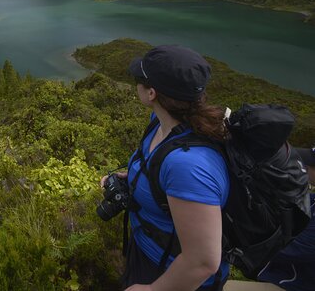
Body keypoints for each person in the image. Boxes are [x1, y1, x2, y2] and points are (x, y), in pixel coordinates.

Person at [103, 45, 230, 291]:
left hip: (173, 275)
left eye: (139, 79)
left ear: (151, 93)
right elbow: (157, 170)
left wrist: (153, 289)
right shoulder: (161, 123)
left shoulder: (188, 166)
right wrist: (133, 178)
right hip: (148, 252)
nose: (135, 83)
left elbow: (203, 261)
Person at [256, 146, 315, 291]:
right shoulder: (312, 199)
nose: (304, 167)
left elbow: (292, 250)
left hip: (299, 283)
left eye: (311, 166)